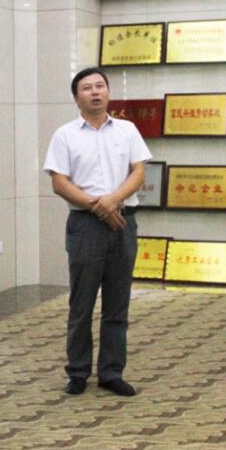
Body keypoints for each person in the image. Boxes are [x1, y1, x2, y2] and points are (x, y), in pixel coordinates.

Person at [43, 67, 150, 397]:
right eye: (87, 88)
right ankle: (77, 372)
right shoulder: (65, 135)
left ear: (108, 92)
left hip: (123, 222)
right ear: (76, 98)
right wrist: (98, 207)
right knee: (82, 303)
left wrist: (113, 201)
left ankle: (111, 372)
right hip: (85, 225)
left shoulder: (127, 130)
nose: (95, 92)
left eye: (100, 86)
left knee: (118, 304)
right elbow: (59, 183)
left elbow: (139, 172)